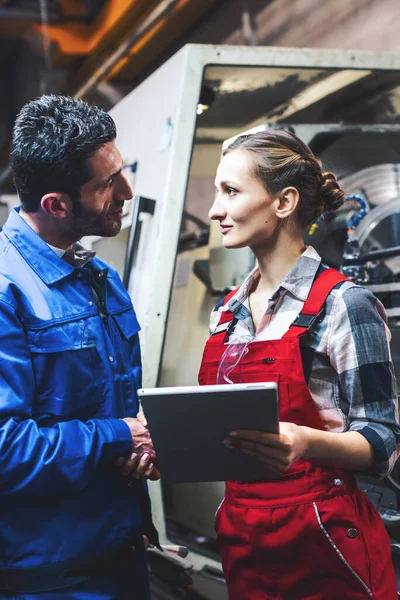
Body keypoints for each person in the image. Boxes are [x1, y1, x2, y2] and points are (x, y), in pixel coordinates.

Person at [198, 129, 400, 599]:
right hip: (244, 538)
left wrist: (306, 442)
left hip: (324, 539)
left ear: (284, 202)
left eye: (231, 191)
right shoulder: (226, 315)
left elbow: (384, 438)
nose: (215, 210)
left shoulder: (344, 305)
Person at [0, 94, 160, 599]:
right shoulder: (7, 291)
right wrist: (119, 436)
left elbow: (121, 408)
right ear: (56, 204)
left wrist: (145, 444)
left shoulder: (101, 278)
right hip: (53, 579)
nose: (128, 192)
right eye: (108, 184)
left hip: (126, 555)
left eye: (123, 172)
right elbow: (5, 448)